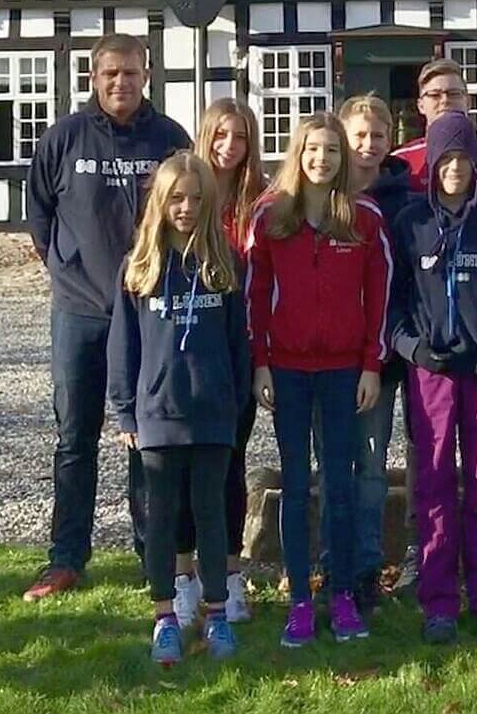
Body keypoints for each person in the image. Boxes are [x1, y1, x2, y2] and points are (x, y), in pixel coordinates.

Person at [23, 33, 191, 600]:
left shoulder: (168, 139)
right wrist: (62, 266)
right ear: (94, 79)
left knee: (147, 438)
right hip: (80, 312)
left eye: (132, 73)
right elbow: (40, 212)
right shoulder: (64, 138)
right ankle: (67, 556)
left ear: (147, 76)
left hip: (147, 314)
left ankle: (154, 554)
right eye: (110, 74)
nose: (121, 83)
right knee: (76, 437)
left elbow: (190, 208)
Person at [246, 112, 392, 648]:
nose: (322, 159)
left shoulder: (364, 219)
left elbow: (379, 297)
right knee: (295, 482)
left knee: (341, 483)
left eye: (332, 150)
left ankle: (344, 595)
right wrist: (260, 360)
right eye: (313, 149)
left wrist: (372, 365)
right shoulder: (270, 218)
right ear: (297, 153)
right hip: (285, 369)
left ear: (343, 159)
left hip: (342, 372)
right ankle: (300, 603)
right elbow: (255, 297)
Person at [107, 152, 251, 665]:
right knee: (162, 517)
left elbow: (239, 345)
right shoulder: (139, 268)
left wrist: (237, 405)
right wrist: (126, 411)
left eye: (195, 198)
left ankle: (217, 616)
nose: (186, 208)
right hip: (158, 416)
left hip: (213, 414)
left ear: (208, 203)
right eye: (176, 198)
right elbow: (123, 348)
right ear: (160, 203)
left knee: (212, 516)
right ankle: (165, 616)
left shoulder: (226, 264)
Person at [390, 110, 477, 643]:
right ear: (431, 164)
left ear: (475, 163)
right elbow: (393, 301)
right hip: (432, 375)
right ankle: (439, 603)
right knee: (433, 486)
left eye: (463, 159)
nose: (454, 169)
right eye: (444, 159)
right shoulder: (411, 225)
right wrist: (413, 348)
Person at [170, 98, 268, 628]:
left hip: (239, 350)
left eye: (241, 136)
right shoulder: (184, 194)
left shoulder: (264, 202)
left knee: (229, 468)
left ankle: (229, 578)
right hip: (186, 350)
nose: (231, 147)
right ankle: (182, 580)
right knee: (182, 472)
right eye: (221, 135)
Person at [330, 93, 413, 608]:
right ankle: (330, 561)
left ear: (389, 141)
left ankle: (364, 566)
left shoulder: (403, 199)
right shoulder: (317, 192)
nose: (366, 145)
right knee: (330, 461)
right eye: (358, 135)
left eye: (376, 136)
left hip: (380, 355)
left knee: (372, 463)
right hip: (321, 353)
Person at [393, 58, 477, 203]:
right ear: (421, 106)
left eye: (453, 93)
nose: (445, 100)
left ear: (468, 102)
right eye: (435, 95)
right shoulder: (402, 161)